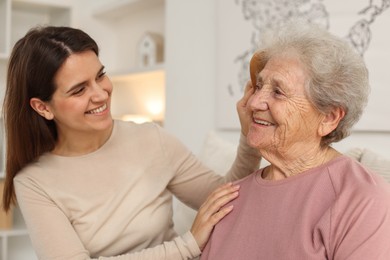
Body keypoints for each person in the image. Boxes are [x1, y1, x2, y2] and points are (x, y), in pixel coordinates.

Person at [1, 26, 261, 259]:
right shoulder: (34, 182)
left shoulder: (151, 139)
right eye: (79, 90)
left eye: (100, 76)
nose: (101, 94)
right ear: (42, 107)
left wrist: (250, 137)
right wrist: (187, 245)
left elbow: (225, 197)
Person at [201, 21, 390, 260]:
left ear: (329, 118)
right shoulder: (230, 196)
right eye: (258, 86)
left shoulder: (362, 198)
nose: (254, 102)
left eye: (278, 92)